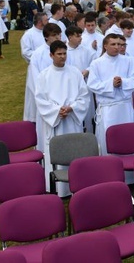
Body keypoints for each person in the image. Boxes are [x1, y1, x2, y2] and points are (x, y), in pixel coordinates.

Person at [35, 40, 90, 194]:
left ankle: (76, 183)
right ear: (51, 55)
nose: (62, 57)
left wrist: (72, 107)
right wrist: (57, 110)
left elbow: (84, 96)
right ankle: (58, 188)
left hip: (72, 119)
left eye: (64, 53)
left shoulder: (74, 73)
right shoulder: (43, 76)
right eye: (59, 54)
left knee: (74, 149)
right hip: (55, 120)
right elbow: (40, 100)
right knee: (56, 151)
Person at [87, 34, 134, 154]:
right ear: (105, 46)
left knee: (128, 140)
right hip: (108, 109)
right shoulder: (97, 63)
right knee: (108, 143)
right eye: (113, 44)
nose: (117, 47)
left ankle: (129, 171)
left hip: (125, 108)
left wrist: (123, 82)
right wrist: (111, 84)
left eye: (119, 44)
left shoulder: (130, 61)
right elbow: (92, 85)